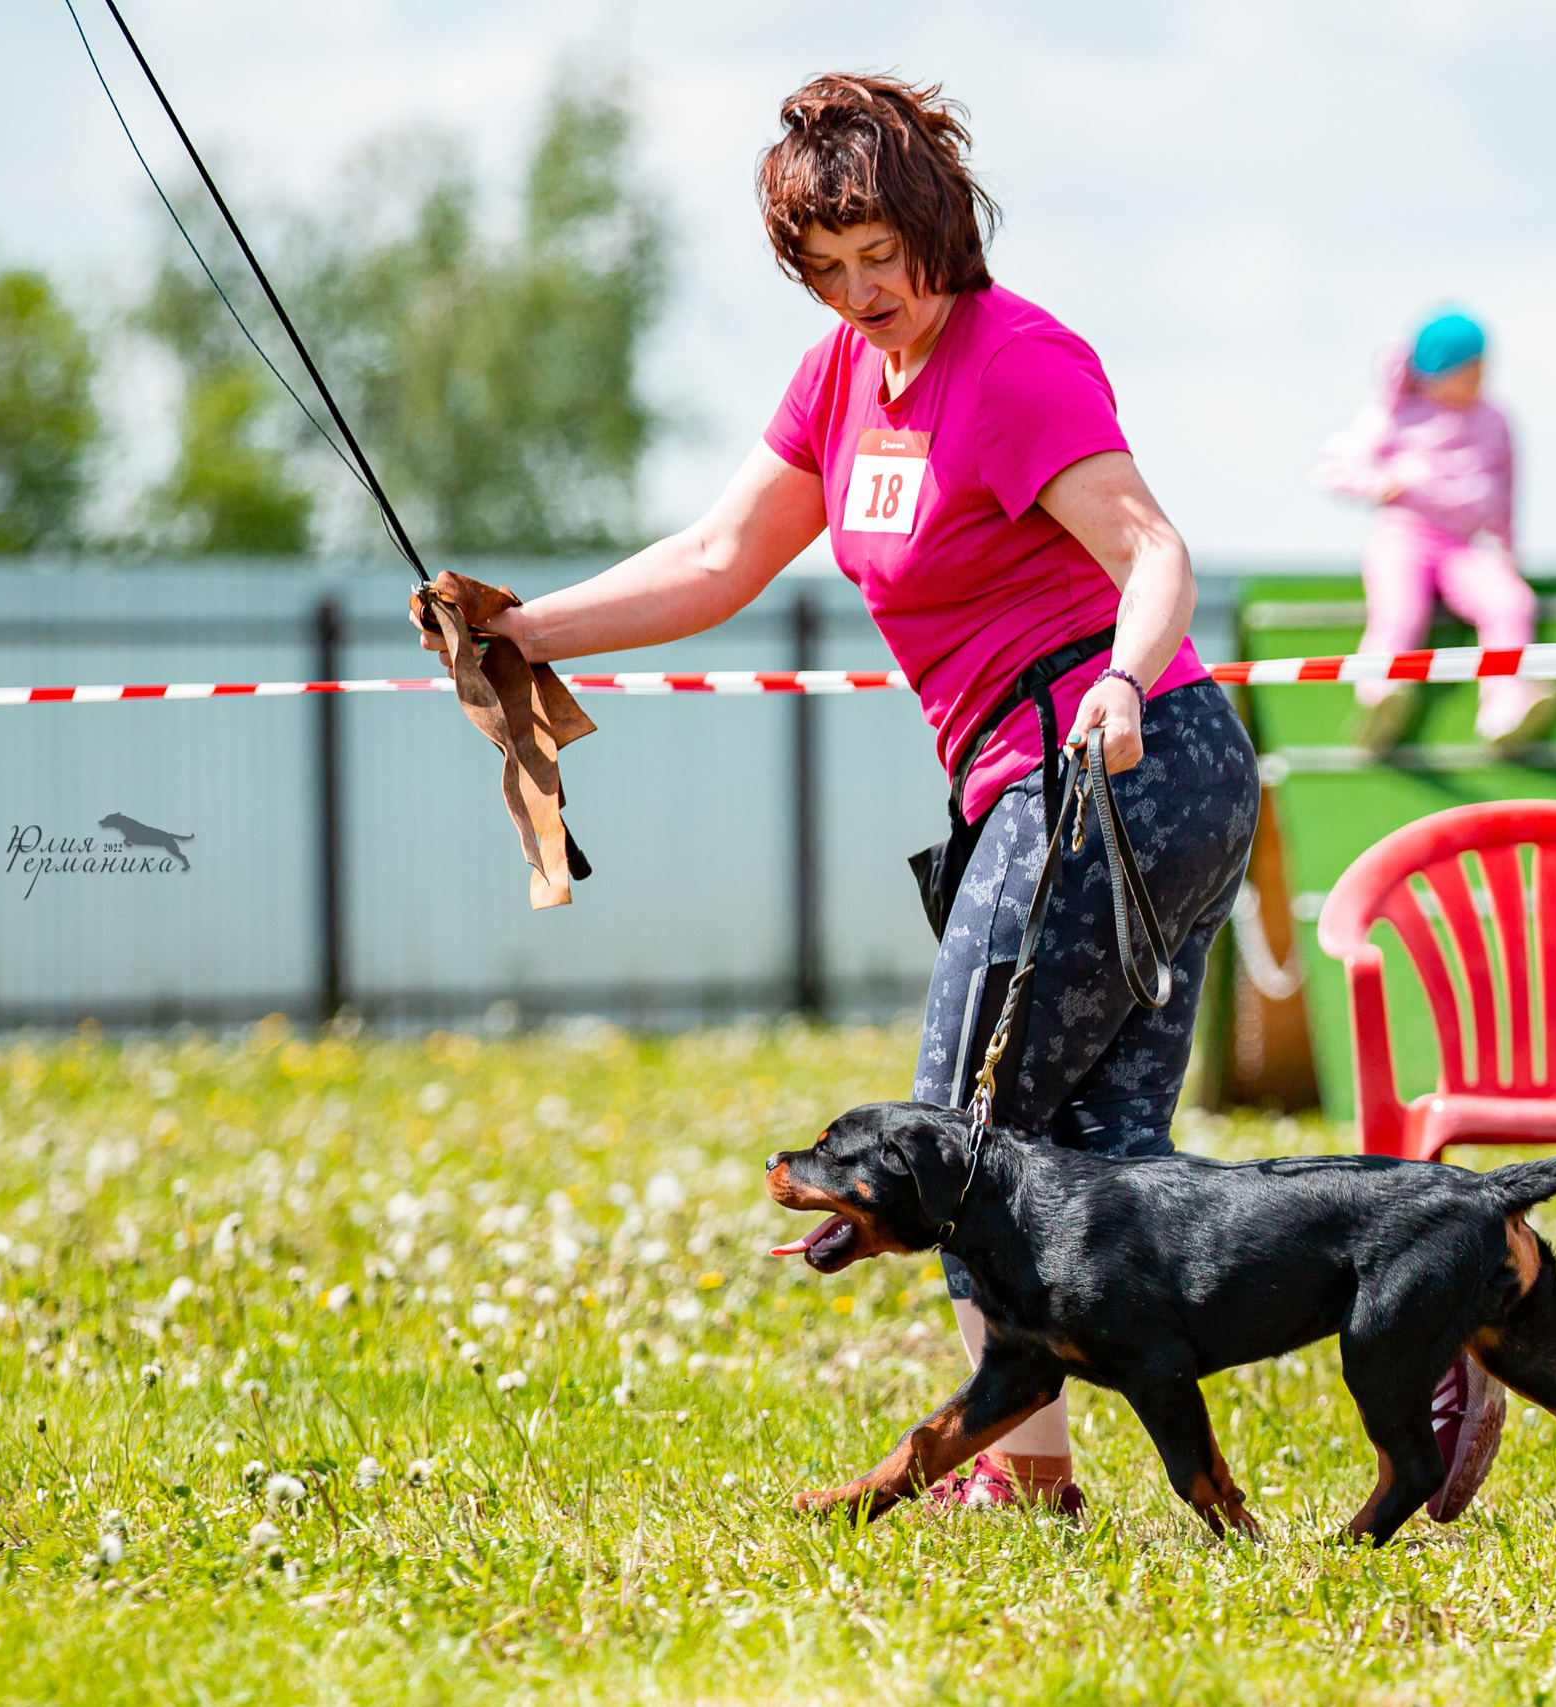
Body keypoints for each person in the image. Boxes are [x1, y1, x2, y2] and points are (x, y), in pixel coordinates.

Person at [415, 74, 1258, 1514]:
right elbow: (717, 558)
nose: (865, 292)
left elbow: (1156, 552)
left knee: (958, 1132)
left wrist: (1120, 681)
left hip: (1119, 761)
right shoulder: (836, 385)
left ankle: (1020, 1474)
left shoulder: (1020, 361)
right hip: (1098, 781)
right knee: (1103, 1155)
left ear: (941, 224)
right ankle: (1415, 1319)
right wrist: (522, 630)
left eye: (886, 256)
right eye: (830, 268)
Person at [1315, 309, 1556, 755]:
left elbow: (1506, 488)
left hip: (1464, 543)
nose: (1479, 378)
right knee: (1401, 613)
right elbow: (1335, 467)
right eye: (1468, 369)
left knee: (1510, 602)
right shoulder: (1396, 412)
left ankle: (1506, 708)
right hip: (1404, 535)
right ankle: (1380, 695)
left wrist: (1506, 547)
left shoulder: (1495, 419)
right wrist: (1384, 484)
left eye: (1483, 367)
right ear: (1436, 372)